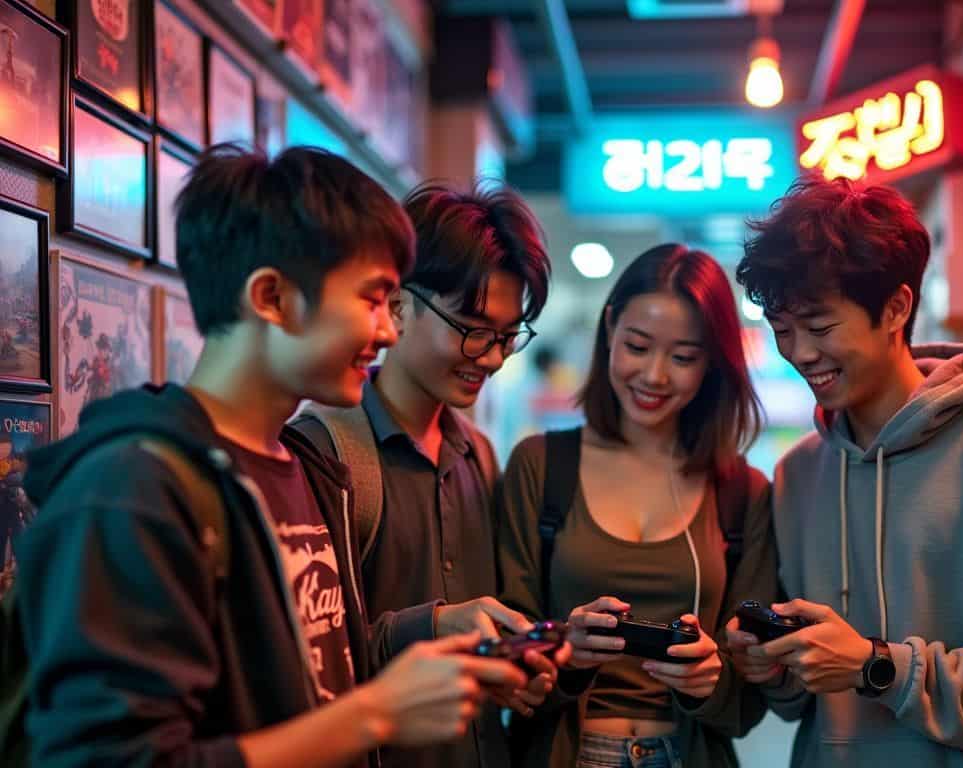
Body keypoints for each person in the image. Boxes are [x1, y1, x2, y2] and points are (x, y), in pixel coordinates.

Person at [15, 146, 534, 766]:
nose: (389, 331)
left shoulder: (310, 474)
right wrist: (374, 714)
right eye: (373, 300)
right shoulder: (133, 488)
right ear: (271, 297)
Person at [725, 176, 963, 767]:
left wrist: (878, 666)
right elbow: (800, 701)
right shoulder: (797, 475)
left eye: (820, 327)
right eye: (782, 331)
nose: (800, 352)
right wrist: (774, 666)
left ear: (897, 307)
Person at [293, 180, 554, 768]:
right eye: (471, 327)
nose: (490, 356)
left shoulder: (480, 455)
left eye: (508, 336)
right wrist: (432, 627)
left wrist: (515, 667)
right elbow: (307, 655)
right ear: (397, 304)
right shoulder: (324, 450)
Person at [496, 243, 775, 768]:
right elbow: (507, 664)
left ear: (713, 362)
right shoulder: (541, 466)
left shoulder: (743, 493)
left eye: (684, 357)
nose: (654, 376)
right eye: (638, 346)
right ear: (609, 331)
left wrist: (709, 682)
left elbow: (749, 705)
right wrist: (565, 656)